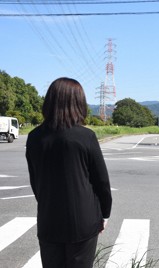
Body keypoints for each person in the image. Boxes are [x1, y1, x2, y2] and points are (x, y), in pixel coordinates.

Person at [26, 77, 112, 268]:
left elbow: (35, 181)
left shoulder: (34, 137)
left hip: (49, 219)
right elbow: (102, 182)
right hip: (83, 220)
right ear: (78, 103)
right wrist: (104, 214)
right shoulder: (85, 136)